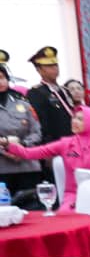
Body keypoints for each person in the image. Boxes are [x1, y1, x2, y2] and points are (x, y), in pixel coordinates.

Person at [0, 107, 90, 211]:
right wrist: (7, 145)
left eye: (80, 119)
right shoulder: (65, 143)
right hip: (72, 196)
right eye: (74, 117)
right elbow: (31, 153)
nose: (74, 121)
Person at [0, 59, 43, 195]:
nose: (0, 82)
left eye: (2, 78)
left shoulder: (23, 104)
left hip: (28, 164)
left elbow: (36, 132)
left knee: (32, 208)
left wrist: (22, 147)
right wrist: (7, 149)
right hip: (3, 166)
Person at [26, 46, 75, 142]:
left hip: (72, 140)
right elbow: (41, 124)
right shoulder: (36, 93)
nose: (54, 68)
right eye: (49, 66)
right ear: (39, 70)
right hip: (54, 144)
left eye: (55, 64)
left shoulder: (65, 91)